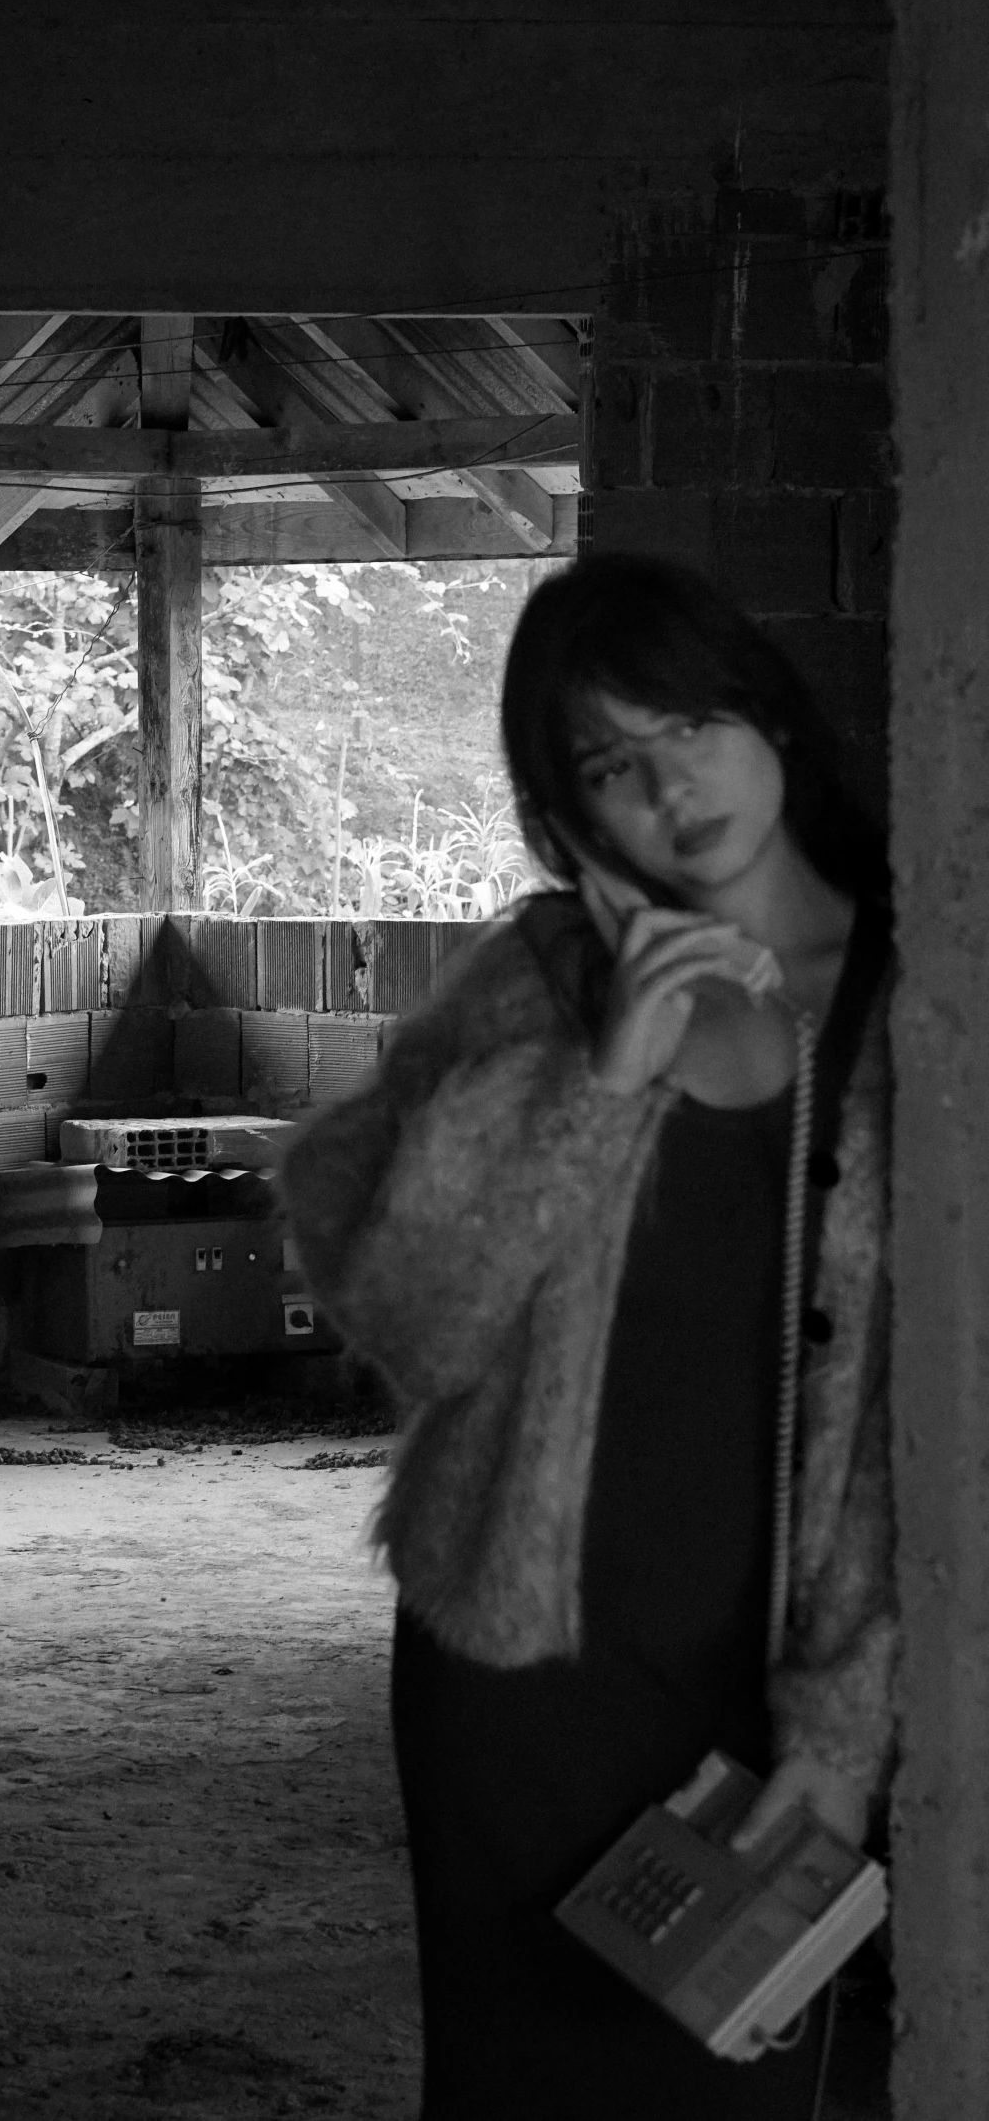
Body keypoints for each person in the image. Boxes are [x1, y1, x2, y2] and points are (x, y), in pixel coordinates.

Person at [280, 553, 895, 2121]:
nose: (667, 784)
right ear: (569, 818)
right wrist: (597, 1078)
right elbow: (408, 1317)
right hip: (521, 1666)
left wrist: (843, 1723)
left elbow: (920, 1417)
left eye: (686, 721)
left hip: (770, 1672)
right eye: (608, 766)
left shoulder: (922, 995)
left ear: (764, 712)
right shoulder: (546, 979)